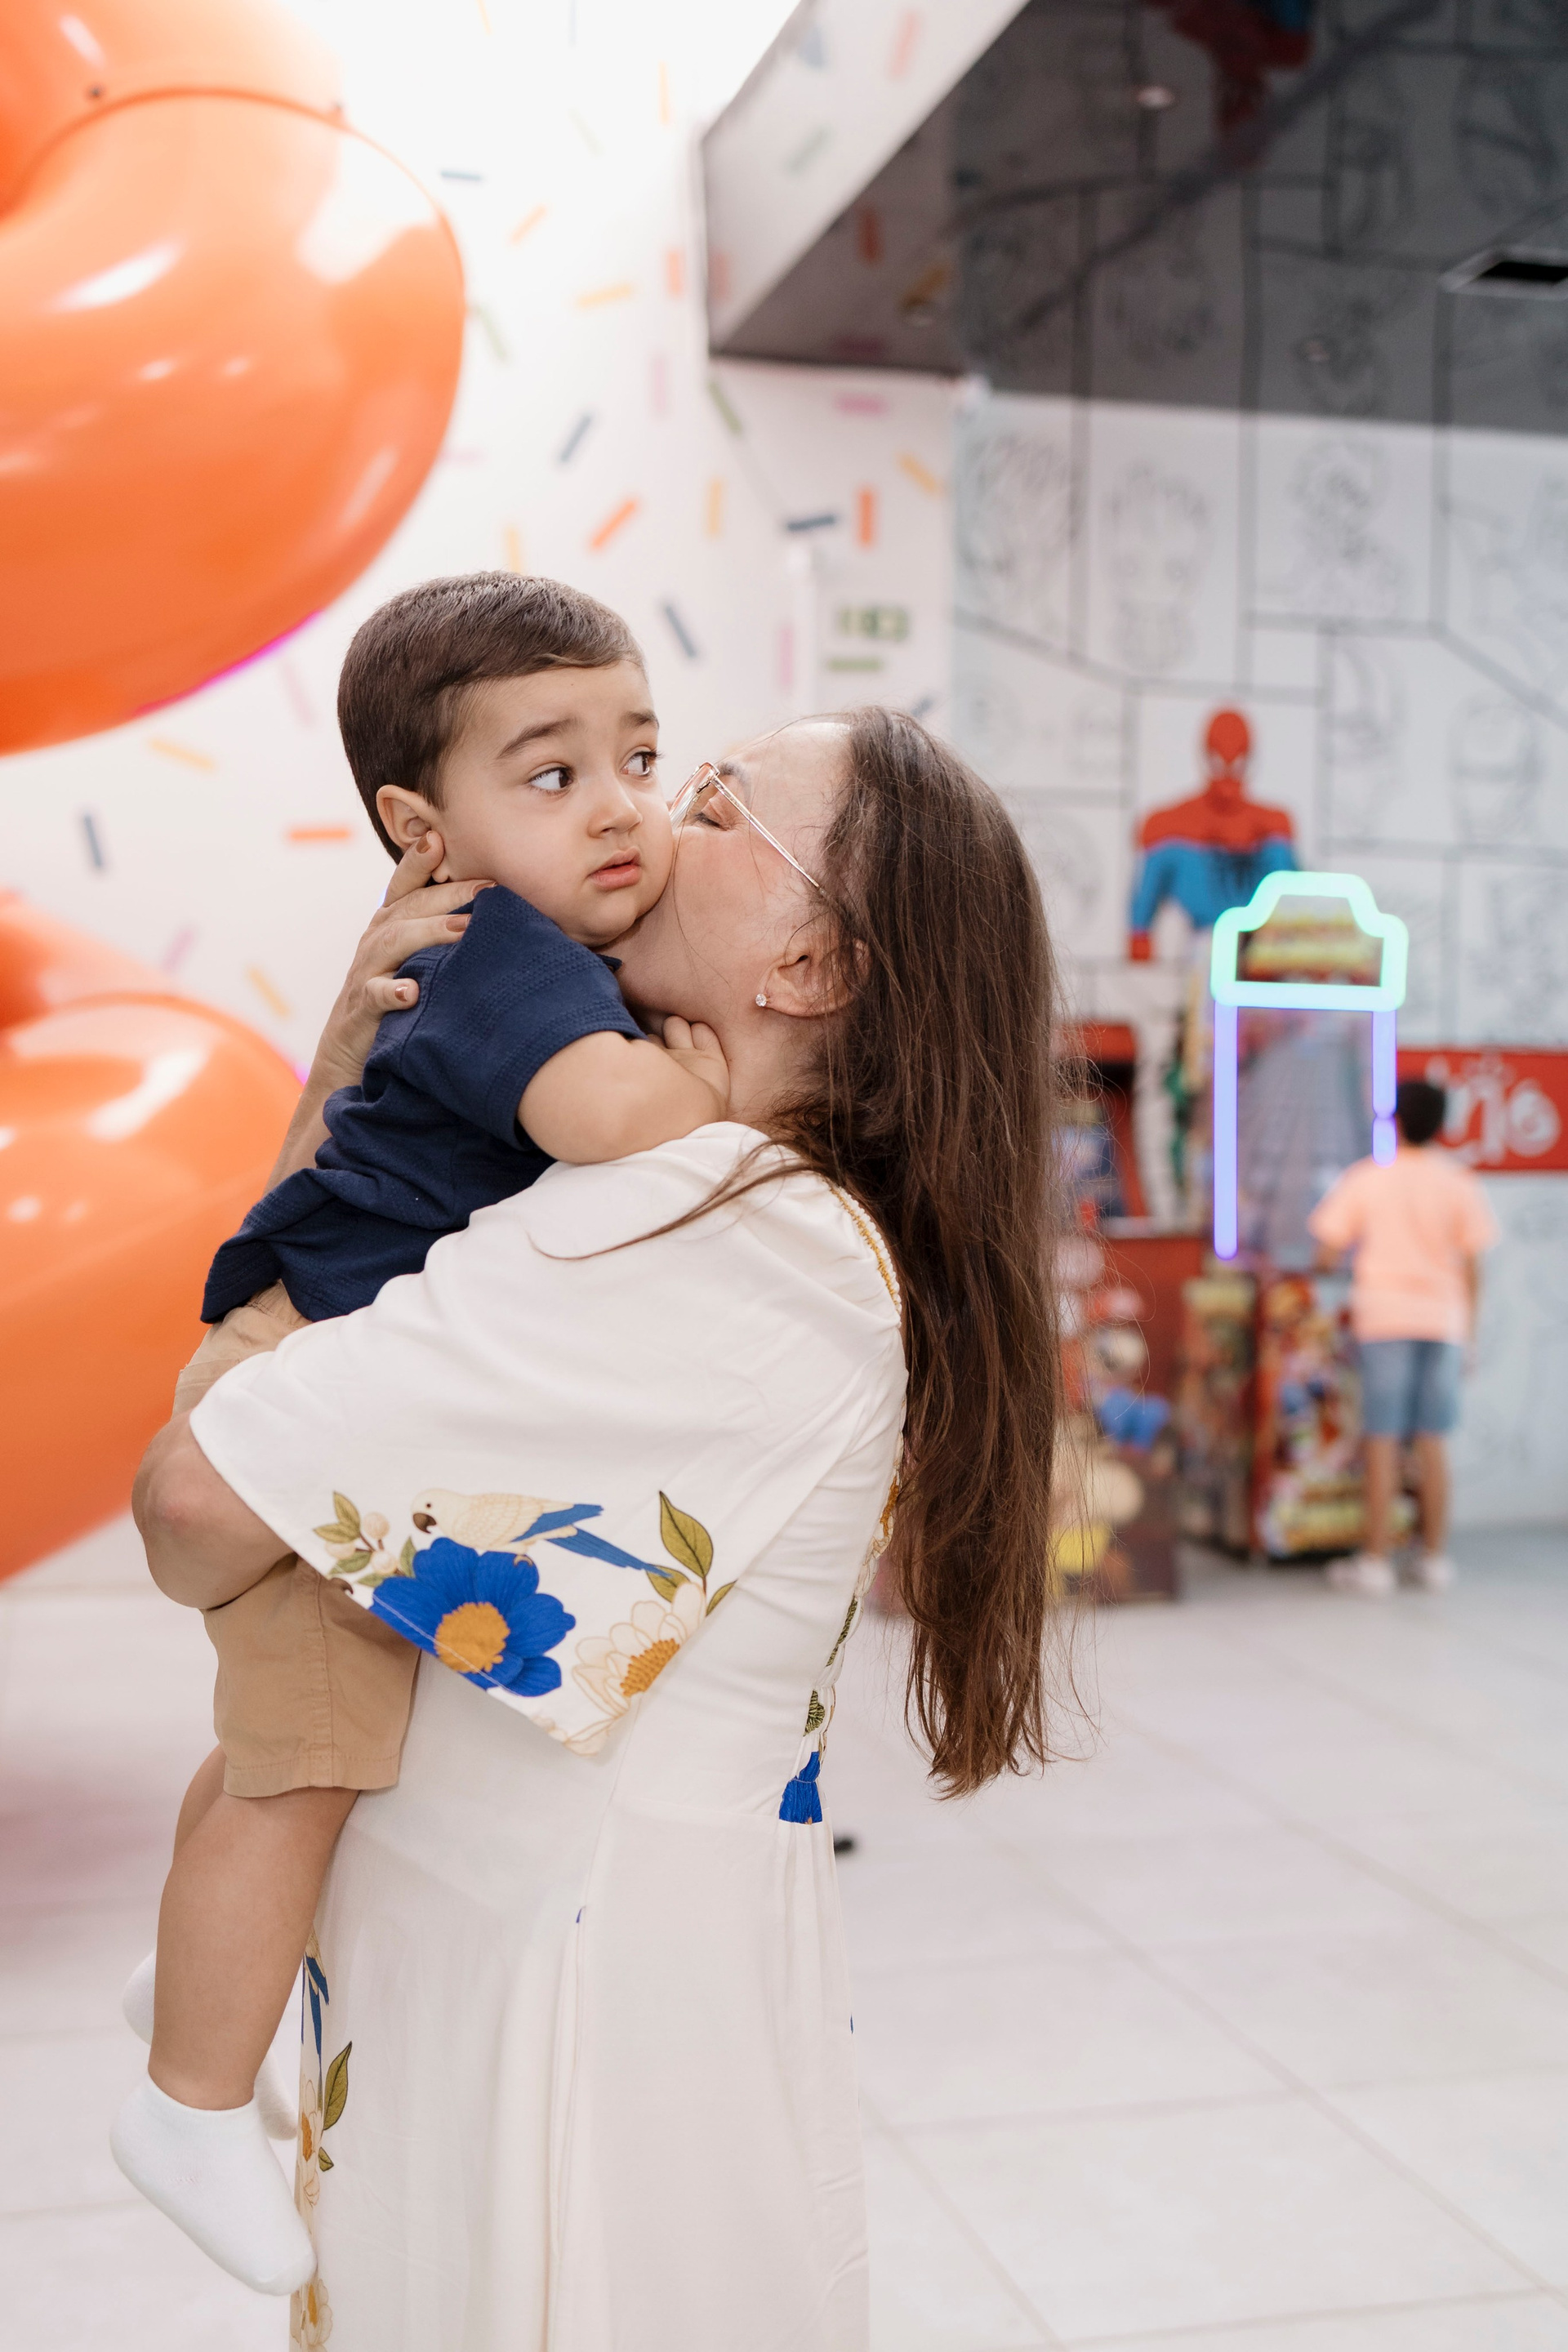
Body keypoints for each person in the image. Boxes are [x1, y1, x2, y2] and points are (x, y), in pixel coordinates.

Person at [129, 705, 1067, 2350]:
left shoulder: (707, 1223)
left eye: (706, 796)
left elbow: (198, 1508)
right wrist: (358, 1075)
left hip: (560, 1981)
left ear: (810, 967)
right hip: (581, 1949)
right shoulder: (721, 1198)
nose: (636, 820)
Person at [112, 574, 733, 2294]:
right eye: (552, 773)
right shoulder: (502, 954)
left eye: (641, 758)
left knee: (272, 1739)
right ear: (421, 830)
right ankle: (185, 2100)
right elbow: (611, 1117)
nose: (619, 807)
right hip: (303, 1387)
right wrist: (722, 1082)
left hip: (308, 1359)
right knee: (309, 1765)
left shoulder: (527, 947)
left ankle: (186, 1983)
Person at [1309, 1077, 1499, 1597]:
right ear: (1443, 1125)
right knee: (1433, 1441)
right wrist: (1470, 1335)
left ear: (1394, 1121)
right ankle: (1434, 1558)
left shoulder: (1367, 1178)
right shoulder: (1459, 1182)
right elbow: (1473, 1268)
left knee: (1384, 1441)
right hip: (1445, 1322)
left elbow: (1325, 1252)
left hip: (1384, 1320)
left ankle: (1376, 1562)